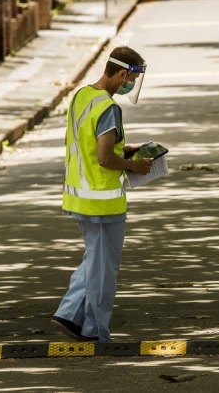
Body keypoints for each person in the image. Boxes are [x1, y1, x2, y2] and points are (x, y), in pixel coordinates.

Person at [51, 46, 151, 342]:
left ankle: (69, 313)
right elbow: (105, 158)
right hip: (103, 200)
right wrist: (135, 165)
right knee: (104, 269)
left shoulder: (82, 95)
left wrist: (126, 149)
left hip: (80, 196)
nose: (130, 84)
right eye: (131, 78)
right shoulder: (109, 108)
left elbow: (90, 144)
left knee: (95, 259)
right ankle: (94, 329)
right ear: (122, 74)